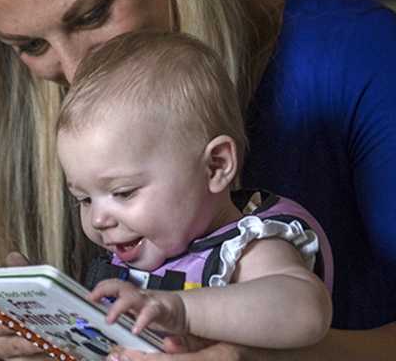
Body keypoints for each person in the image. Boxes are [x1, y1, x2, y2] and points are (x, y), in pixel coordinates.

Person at [0, 0, 396, 359]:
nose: (75, 73)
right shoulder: (73, 162)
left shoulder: (361, 60)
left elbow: (301, 313)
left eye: (92, 14)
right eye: (31, 46)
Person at [56, 31, 333, 350]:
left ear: (215, 166)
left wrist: (184, 310)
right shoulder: (136, 258)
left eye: (123, 192)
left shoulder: (250, 248)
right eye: (85, 199)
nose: (99, 218)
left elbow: (307, 313)